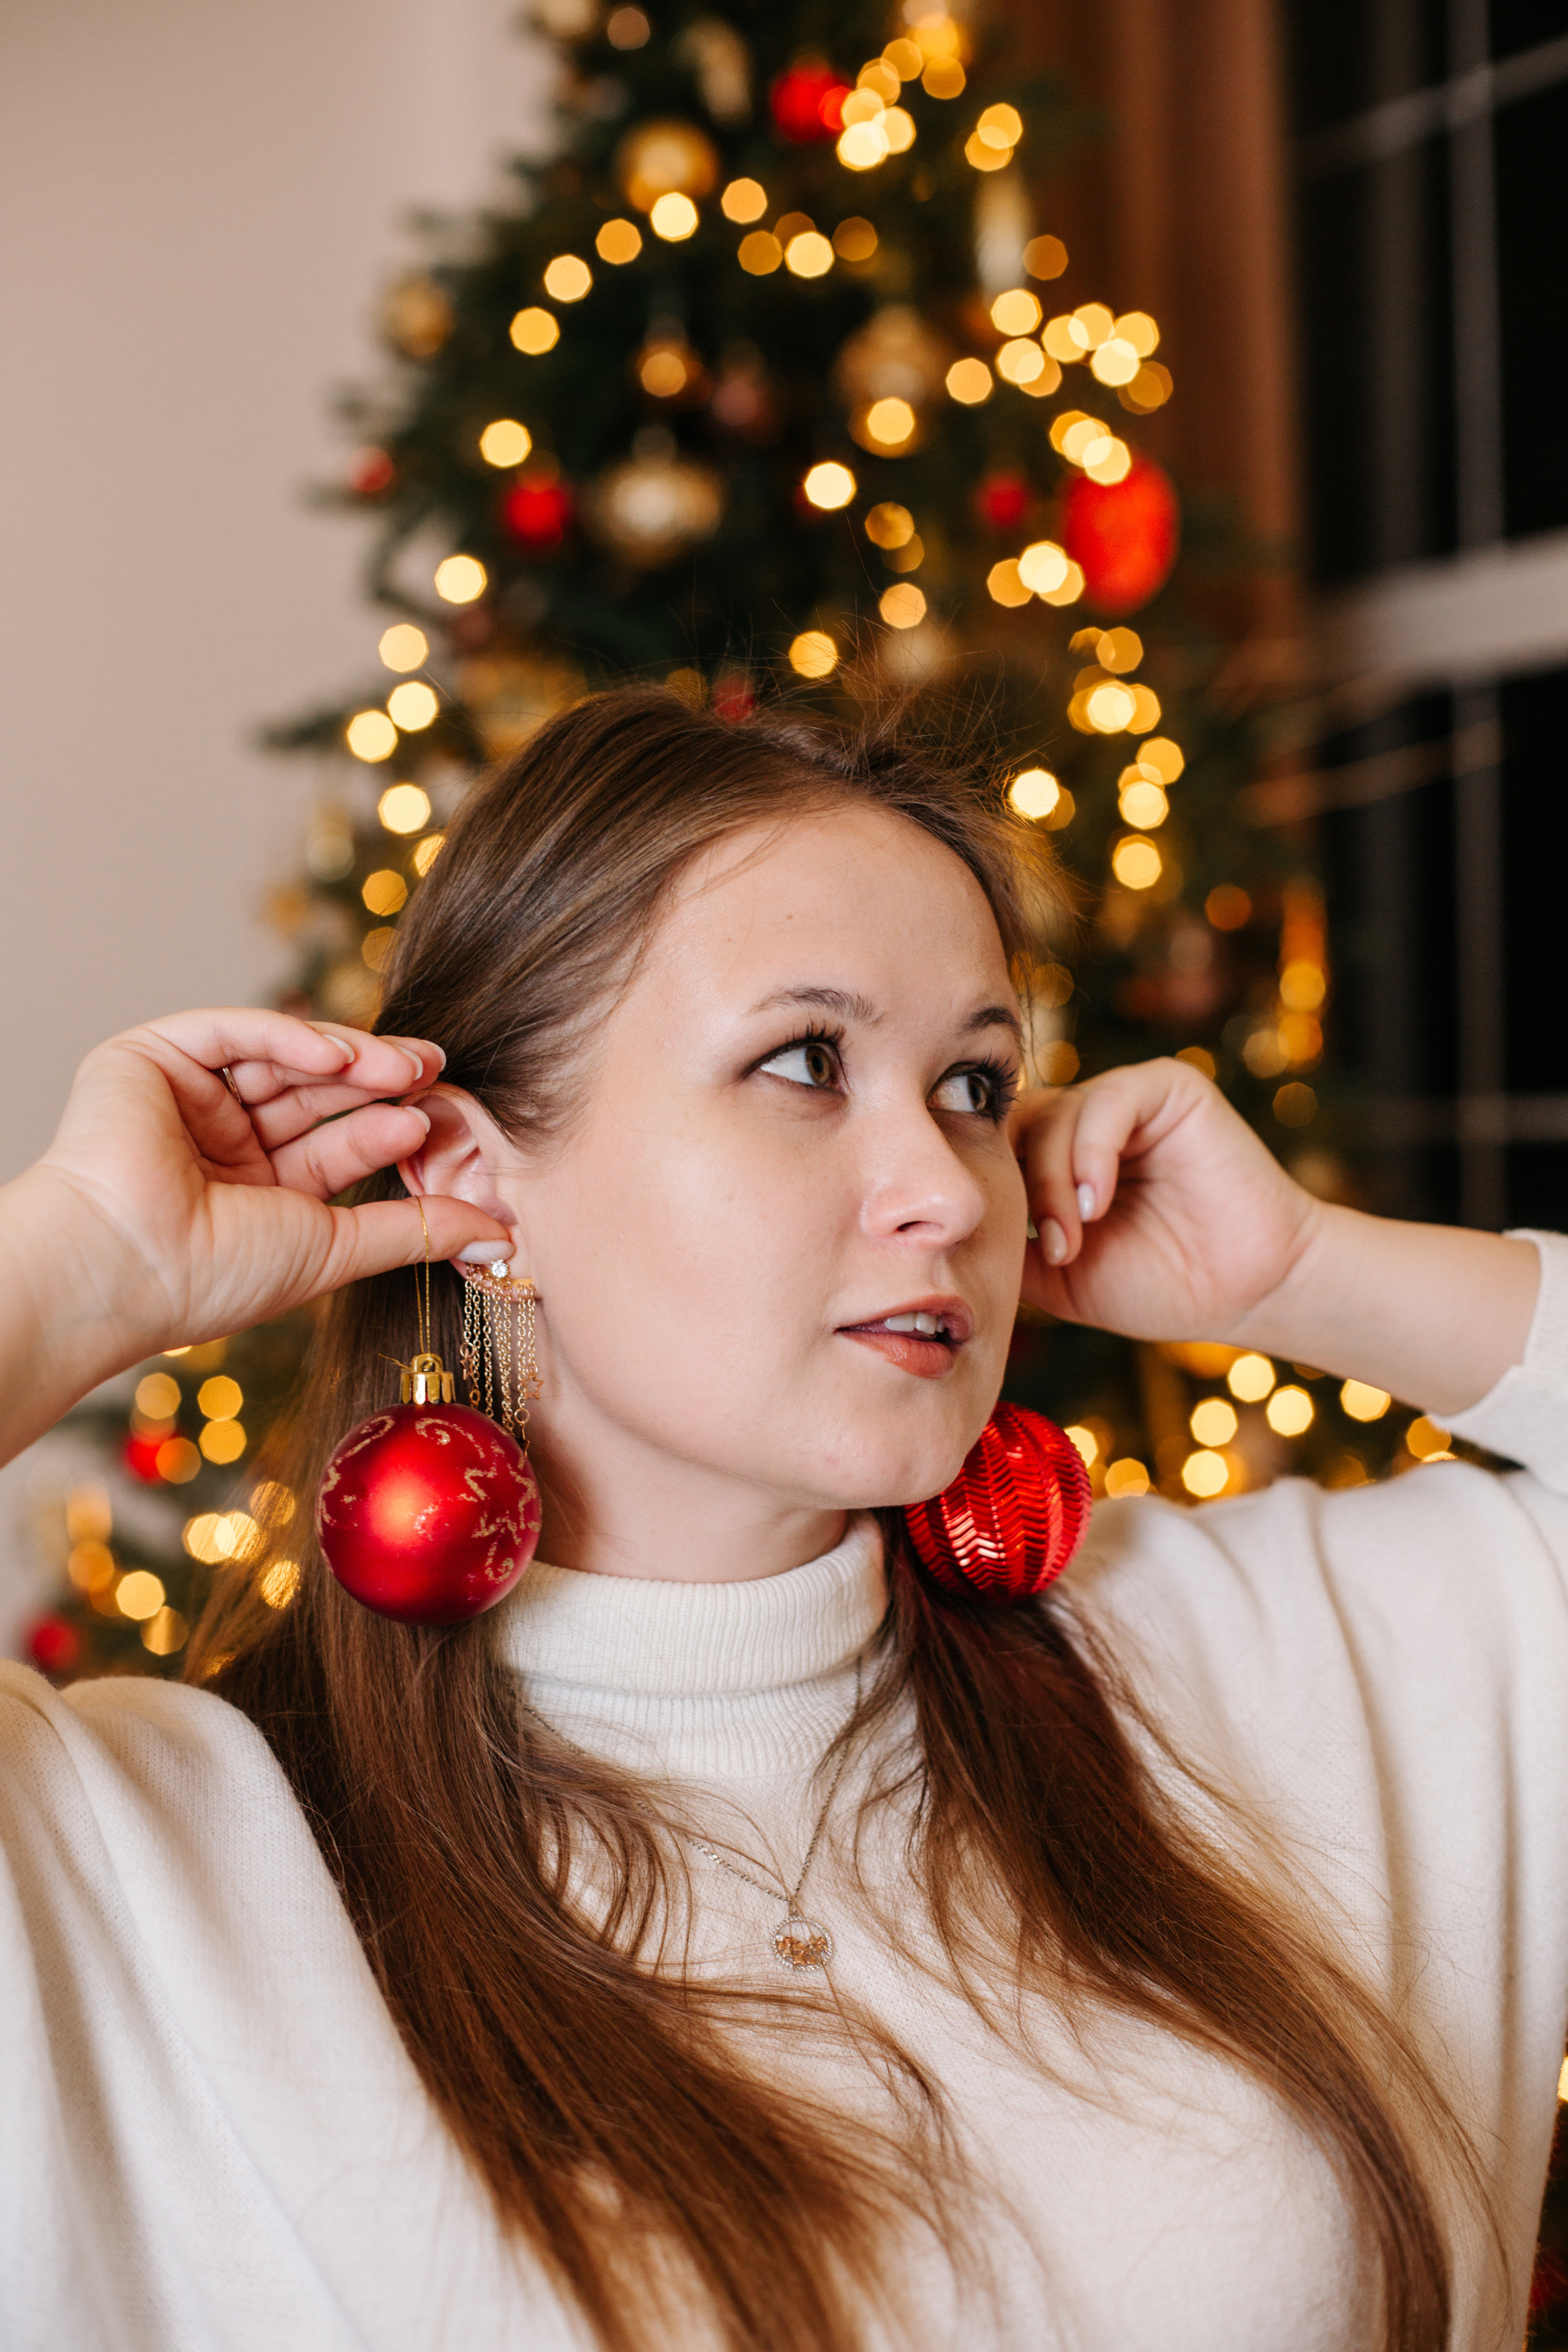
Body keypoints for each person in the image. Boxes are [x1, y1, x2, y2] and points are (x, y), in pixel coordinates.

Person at [0, 685, 1561, 2352]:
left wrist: (1304, 1271)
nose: (949, 1190)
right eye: (807, 1062)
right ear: (473, 1178)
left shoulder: (1267, 1659)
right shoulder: (136, 1874)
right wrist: (81, 1267)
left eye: (974, 1084)